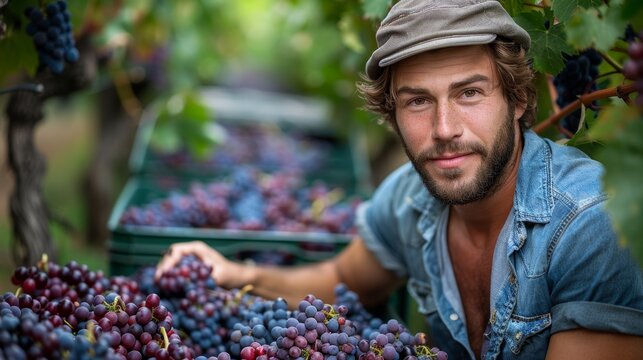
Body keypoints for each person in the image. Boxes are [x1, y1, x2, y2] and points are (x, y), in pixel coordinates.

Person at [156, 0, 643, 358]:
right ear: (392, 114)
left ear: (517, 99)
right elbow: (342, 279)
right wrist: (236, 274)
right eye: (417, 101)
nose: (444, 129)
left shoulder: (589, 225)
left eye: (469, 93)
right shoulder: (410, 198)